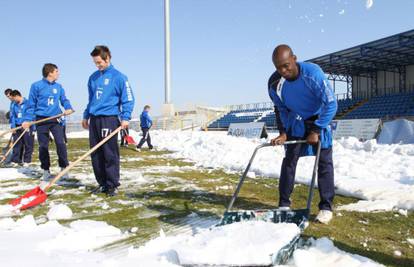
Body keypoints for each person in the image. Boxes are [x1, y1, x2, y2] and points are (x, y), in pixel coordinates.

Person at [269, 45, 337, 224]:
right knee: (289, 161)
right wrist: (283, 132)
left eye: (286, 65)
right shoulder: (274, 83)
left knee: (324, 163)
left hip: (318, 119)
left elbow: (331, 105)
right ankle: (284, 204)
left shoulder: (313, 73)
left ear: (294, 58)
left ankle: (325, 207)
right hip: (296, 121)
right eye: (278, 67)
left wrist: (316, 130)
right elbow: (281, 109)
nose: (283, 71)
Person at [82, 45, 134, 197]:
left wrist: (125, 117)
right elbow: (91, 99)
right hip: (94, 120)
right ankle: (102, 183)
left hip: (109, 119)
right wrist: (86, 115)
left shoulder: (119, 77)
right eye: (95, 63)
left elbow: (128, 99)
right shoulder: (93, 77)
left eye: (99, 62)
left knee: (109, 153)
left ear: (108, 58)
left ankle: (112, 184)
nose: (97, 65)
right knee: (96, 153)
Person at [22, 63, 73, 180]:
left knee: (61, 143)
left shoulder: (59, 87)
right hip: (41, 119)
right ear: (50, 73)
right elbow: (31, 105)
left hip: (56, 119)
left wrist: (68, 107)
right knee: (43, 146)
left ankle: (64, 168)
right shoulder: (36, 86)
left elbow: (64, 99)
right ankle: (46, 169)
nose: (58, 73)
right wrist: (27, 120)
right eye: (56, 71)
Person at [9, 90, 34, 166]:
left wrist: (27, 122)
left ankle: (27, 161)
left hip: (27, 125)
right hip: (17, 126)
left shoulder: (28, 103)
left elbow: (31, 113)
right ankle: (16, 160)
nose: (13, 100)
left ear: (17, 96)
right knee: (17, 143)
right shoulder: (14, 104)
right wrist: (13, 126)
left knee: (28, 144)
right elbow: (12, 116)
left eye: (14, 98)